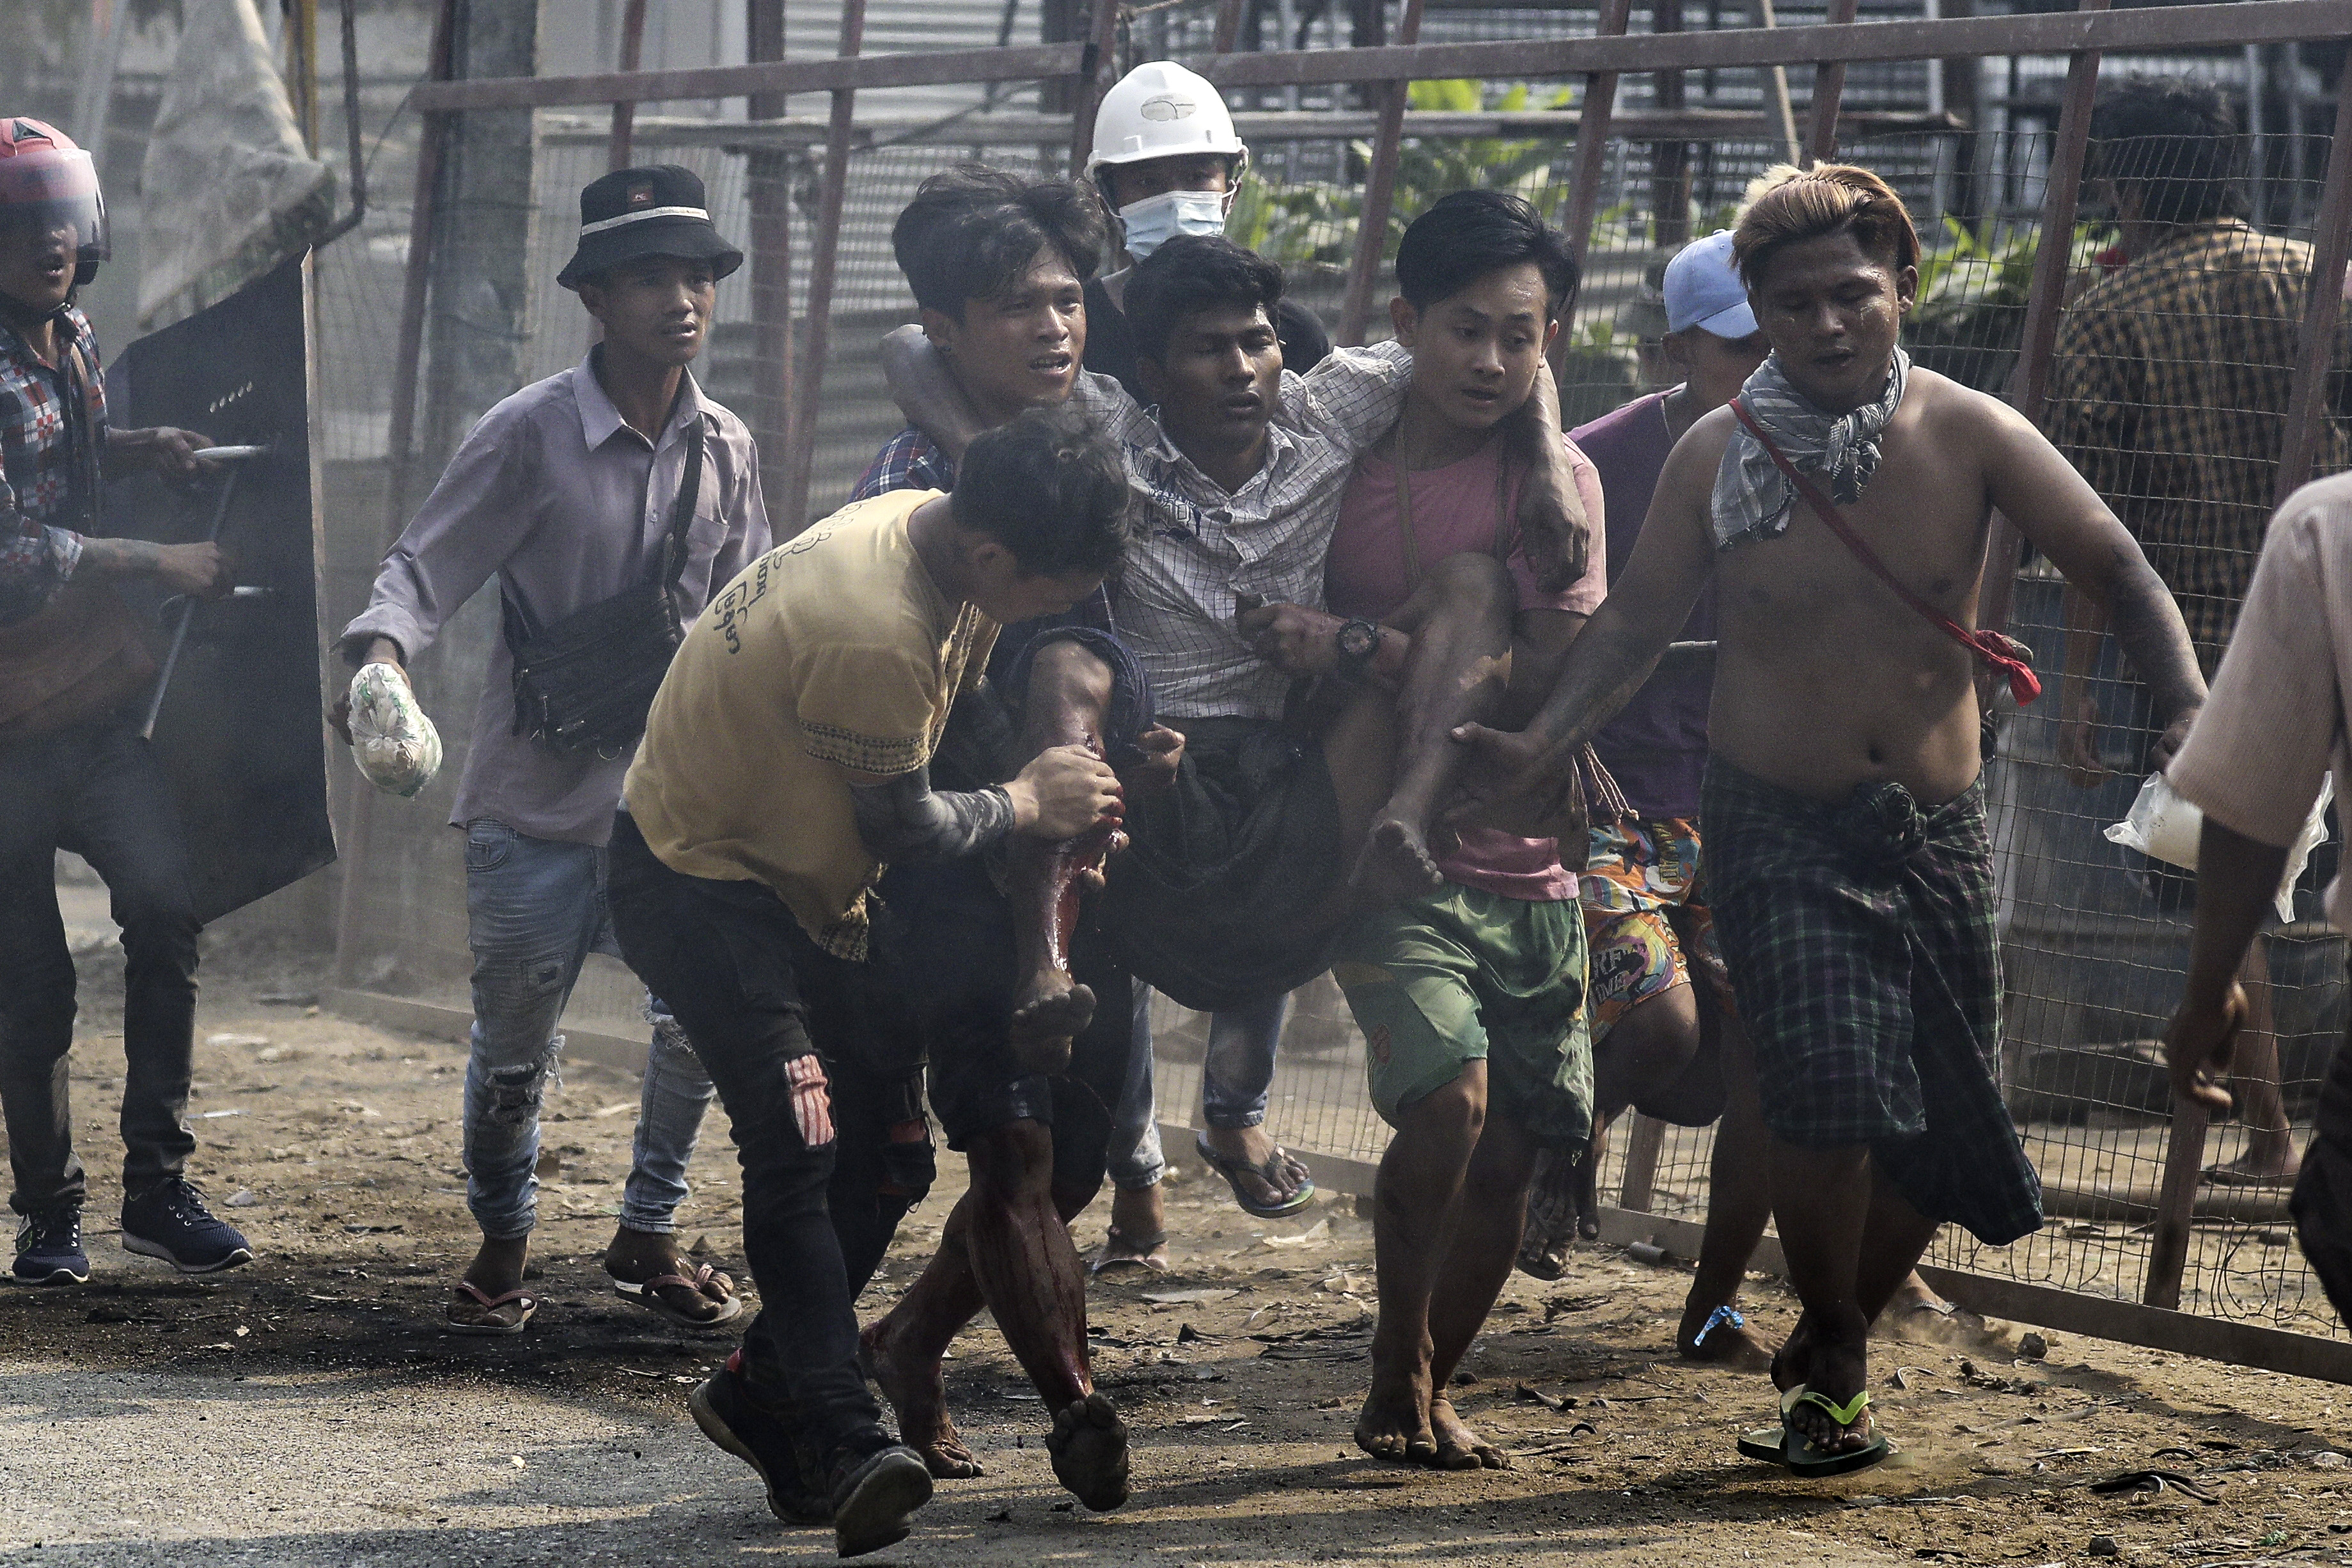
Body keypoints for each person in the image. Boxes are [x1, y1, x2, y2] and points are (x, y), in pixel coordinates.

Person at [1448, 164, 2206, 1471]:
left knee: (1937, 1117)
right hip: (1775, 822)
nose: (1829, 323)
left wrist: (2187, 706)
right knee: (1819, 1097)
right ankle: (1838, 1351)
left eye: (1853, 293)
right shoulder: (1714, 453)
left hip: (1934, 823)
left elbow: (2118, 567)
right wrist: (1536, 741)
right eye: (1793, 303)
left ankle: (1834, 1319)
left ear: (1900, 287)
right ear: (1758, 309)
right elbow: (1631, 627)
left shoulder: (1973, 432)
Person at [609, 406, 1136, 1546]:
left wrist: (1074, 809)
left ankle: (759, 1394)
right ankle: (844, 1434)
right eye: (1054, 589)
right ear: (999, 558)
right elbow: (901, 824)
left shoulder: (939, 542)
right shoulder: (875, 621)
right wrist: (1024, 805)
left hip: (804, 890)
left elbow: (957, 737)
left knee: (890, 1161)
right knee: (798, 1142)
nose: (1056, 614)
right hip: (701, 888)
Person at [336, 166, 766, 1333]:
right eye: (649, 279)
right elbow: (425, 567)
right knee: (518, 1047)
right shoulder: (527, 434)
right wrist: (381, 661)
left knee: (699, 1028)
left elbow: (752, 624)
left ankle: (649, 1232)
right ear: (595, 299)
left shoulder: (726, 447)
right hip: (532, 804)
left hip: (674, 809)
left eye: (696, 277)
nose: (680, 300)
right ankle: (499, 1251)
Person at [1243, 191, 1607, 1467]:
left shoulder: (1564, 487)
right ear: (1405, 325)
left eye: (1521, 336)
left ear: (1550, 338)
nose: (1493, 364)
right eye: (1465, 332)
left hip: (1530, 852)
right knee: (1448, 1106)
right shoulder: (1332, 464)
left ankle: (1426, 1385)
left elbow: (1558, 673)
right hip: (1386, 850)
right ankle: (1398, 1354)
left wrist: (1368, 644)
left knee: (1510, 1151)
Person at [843, 169, 1177, 1490]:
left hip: (1093, 868)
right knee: (1017, 1146)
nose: (1055, 327)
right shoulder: (912, 483)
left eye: (1065, 299)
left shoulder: (1102, 437)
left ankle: (907, 1340)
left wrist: (1141, 752)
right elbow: (892, 708)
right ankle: (1077, 1405)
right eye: (1015, 308)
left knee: (1074, 1163)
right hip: (956, 872)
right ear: (945, 326)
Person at [2049, 77, 2352, 1187]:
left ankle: (2268, 1126)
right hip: (2335, 616)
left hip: (2193, 656)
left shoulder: (2099, 314)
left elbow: (2092, 532)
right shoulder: (2315, 275)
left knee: (2227, 887)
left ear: (2121, 181)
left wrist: (2076, 683)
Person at [1, 115, 253, 1285]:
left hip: (93, 708)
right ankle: (49, 1217)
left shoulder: (75, 339)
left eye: (59, 218)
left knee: (163, 907)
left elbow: (70, 466)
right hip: (3, 729)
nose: (47, 242)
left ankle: (158, 1189)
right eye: (19, 221)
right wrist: (153, 562)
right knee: (28, 978)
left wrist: (144, 447)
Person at [2160, 471, 2352, 1320]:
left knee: (2339, 1215)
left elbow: (2248, 808)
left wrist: (2204, 998)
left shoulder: (2327, 526)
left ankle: (2269, 1135)